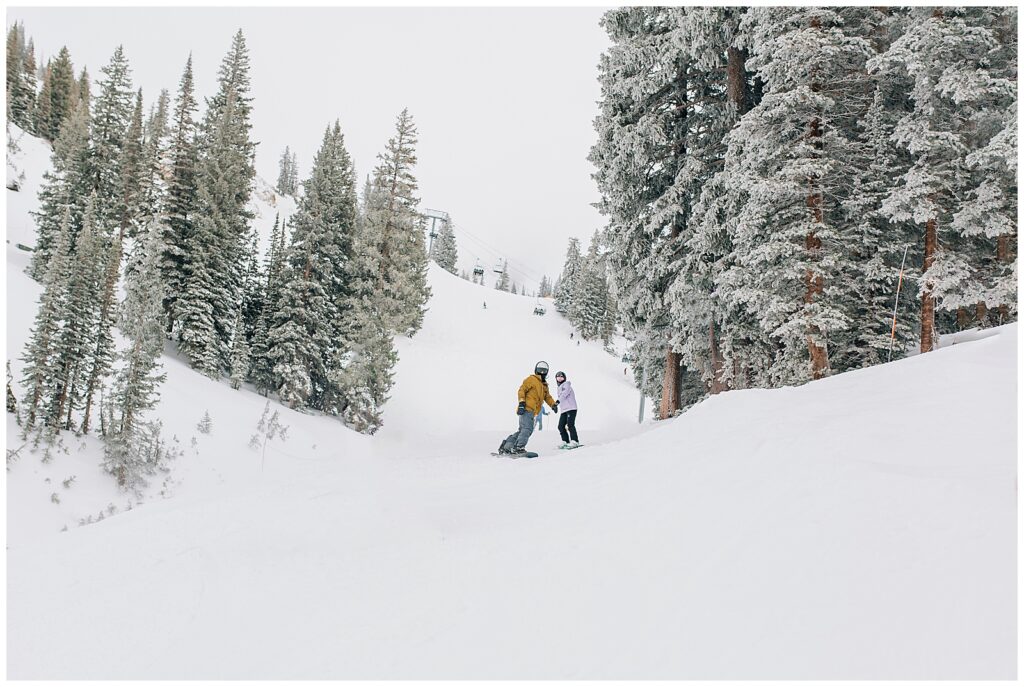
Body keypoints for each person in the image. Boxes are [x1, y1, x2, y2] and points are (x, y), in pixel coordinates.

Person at [499, 361, 558, 455]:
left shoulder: (544, 385)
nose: (542, 372)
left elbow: (547, 397)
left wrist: (553, 404)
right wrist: (521, 402)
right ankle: (519, 448)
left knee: (522, 430)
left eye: (544, 371)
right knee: (527, 429)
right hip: (527, 408)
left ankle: (507, 446)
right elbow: (521, 390)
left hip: (532, 411)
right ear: (536, 370)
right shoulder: (531, 379)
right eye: (540, 370)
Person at [554, 370, 579, 449]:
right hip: (564, 410)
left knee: (570, 424)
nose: (560, 378)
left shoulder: (566, 385)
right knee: (560, 426)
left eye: (562, 377)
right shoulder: (559, 387)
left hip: (571, 408)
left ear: (564, 378)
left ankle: (575, 441)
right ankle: (565, 441)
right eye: (558, 377)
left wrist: (557, 402)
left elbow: (564, 394)